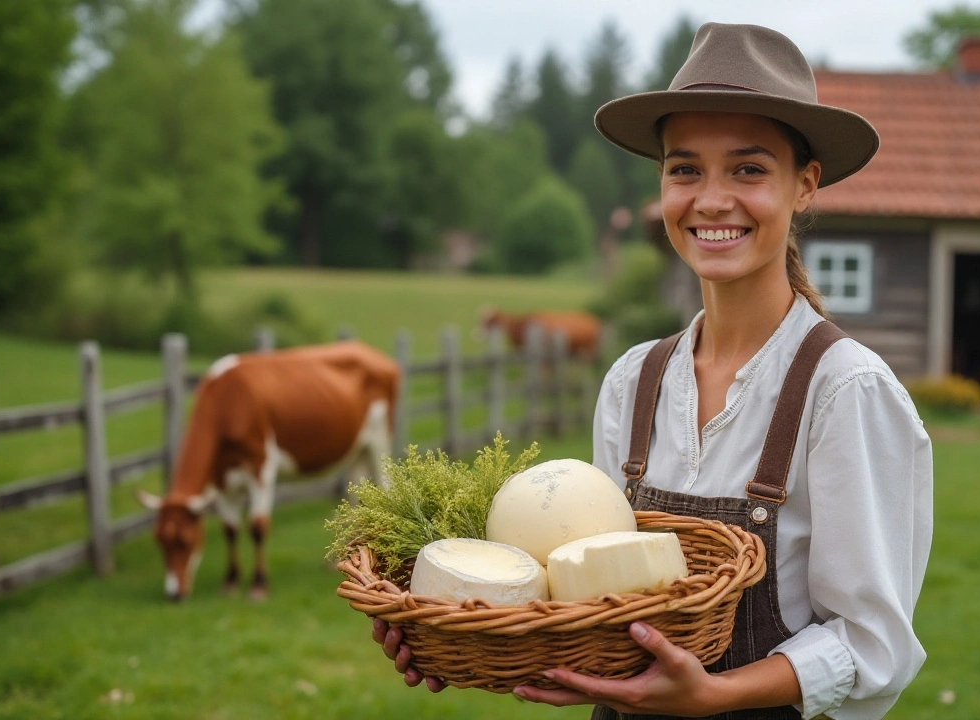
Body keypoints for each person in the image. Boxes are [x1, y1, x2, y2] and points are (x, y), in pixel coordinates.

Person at [374, 22, 932, 719]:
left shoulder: (844, 391)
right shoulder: (634, 381)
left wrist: (714, 695)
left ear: (805, 186)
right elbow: (594, 601)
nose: (711, 198)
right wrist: (450, 623)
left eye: (749, 169)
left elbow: (873, 644)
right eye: (685, 168)